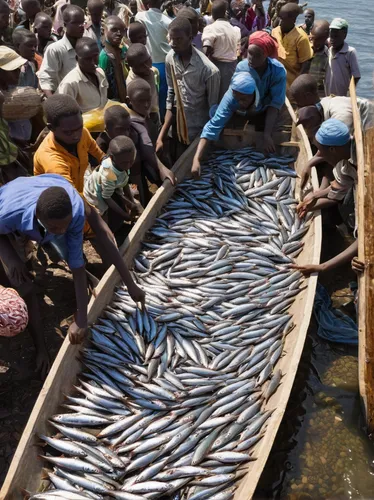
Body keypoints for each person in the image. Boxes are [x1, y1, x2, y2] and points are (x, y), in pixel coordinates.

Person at [0, 174, 145, 377]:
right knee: (24, 285)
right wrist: (11, 259)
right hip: (9, 208)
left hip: (52, 190)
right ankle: (40, 347)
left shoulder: (73, 213)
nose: (62, 231)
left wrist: (130, 285)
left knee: (68, 249)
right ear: (39, 217)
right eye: (55, 228)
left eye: (66, 226)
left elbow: (77, 266)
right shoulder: (10, 214)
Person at [293, 119, 358, 276]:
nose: (320, 157)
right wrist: (311, 201)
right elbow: (336, 191)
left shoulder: (365, 164)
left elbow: (365, 237)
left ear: (333, 150)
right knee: (345, 205)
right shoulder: (345, 164)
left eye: (321, 151)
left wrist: (323, 267)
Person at [157, 17, 220, 160]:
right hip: (177, 133)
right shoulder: (170, 59)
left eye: (178, 39)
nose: (172, 44)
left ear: (190, 38)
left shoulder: (209, 71)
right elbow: (171, 95)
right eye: (171, 38)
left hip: (198, 136)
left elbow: (213, 111)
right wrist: (162, 135)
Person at [34, 94, 105, 196]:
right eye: (68, 132)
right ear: (51, 128)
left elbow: (92, 146)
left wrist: (104, 159)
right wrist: (94, 209)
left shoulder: (82, 132)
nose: (76, 135)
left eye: (79, 128)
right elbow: (71, 195)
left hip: (77, 189)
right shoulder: (52, 160)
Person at [192, 72, 258, 178]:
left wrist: (267, 134)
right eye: (237, 99)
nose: (240, 102)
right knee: (217, 114)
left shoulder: (264, 93)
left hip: (261, 108)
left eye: (244, 99)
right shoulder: (230, 98)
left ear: (252, 94)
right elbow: (212, 126)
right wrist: (196, 158)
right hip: (241, 111)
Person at [234, 31, 286, 153]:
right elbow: (236, 97)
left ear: (266, 55)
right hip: (246, 109)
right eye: (249, 53)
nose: (251, 58)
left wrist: (267, 134)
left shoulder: (278, 71)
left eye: (257, 55)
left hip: (267, 111)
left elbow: (275, 103)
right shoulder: (242, 67)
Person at [290, 74, 373, 136]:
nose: (298, 107)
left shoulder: (339, 113)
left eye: (298, 102)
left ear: (308, 96)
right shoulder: (322, 106)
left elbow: (342, 143)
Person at [84, 135, 137, 221]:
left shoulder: (125, 159)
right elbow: (106, 197)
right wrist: (125, 215)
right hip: (95, 194)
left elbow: (125, 180)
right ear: (112, 158)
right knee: (103, 214)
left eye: (131, 161)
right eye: (124, 163)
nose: (128, 165)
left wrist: (131, 201)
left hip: (110, 185)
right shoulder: (108, 175)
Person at [135, 0, 172, 119]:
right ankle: (164, 129)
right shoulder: (168, 21)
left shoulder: (140, 17)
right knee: (164, 99)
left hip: (148, 64)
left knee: (150, 99)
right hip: (165, 65)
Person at [38, 5, 85, 97]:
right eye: (75, 23)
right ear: (65, 25)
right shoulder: (55, 49)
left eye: (82, 22)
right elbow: (46, 79)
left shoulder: (86, 46)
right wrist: (54, 103)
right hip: (67, 101)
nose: (81, 26)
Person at [57, 37, 108, 113]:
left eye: (95, 57)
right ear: (77, 58)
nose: (92, 62)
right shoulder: (70, 83)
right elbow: (64, 113)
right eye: (87, 59)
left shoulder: (101, 73)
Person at [202, 0, 240, 100]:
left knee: (214, 98)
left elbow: (206, 50)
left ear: (212, 15)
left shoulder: (210, 29)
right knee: (227, 98)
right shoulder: (235, 29)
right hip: (233, 67)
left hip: (216, 67)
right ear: (225, 13)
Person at [272, 3, 313, 88]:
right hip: (275, 81)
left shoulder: (301, 38)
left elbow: (305, 65)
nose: (280, 21)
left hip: (291, 83)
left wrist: (297, 86)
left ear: (293, 20)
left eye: (283, 19)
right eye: (279, 17)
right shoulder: (275, 32)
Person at [126, 43, 160, 128]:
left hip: (155, 113)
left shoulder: (153, 71)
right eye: (141, 65)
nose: (148, 66)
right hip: (144, 120)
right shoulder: (132, 83)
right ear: (133, 67)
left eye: (148, 60)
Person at [325, 18, 361, 97]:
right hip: (327, 96)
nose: (332, 39)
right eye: (331, 36)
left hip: (343, 97)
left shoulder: (349, 52)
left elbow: (356, 76)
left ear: (344, 35)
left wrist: (349, 93)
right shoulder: (327, 50)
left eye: (336, 36)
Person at [98, 15, 127, 102]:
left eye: (122, 30)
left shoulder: (123, 49)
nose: (119, 33)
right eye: (114, 30)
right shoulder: (105, 56)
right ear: (104, 31)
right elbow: (106, 86)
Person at [308, 19, 329, 98]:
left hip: (320, 93)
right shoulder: (304, 49)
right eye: (312, 39)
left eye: (318, 42)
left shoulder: (327, 55)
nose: (314, 44)